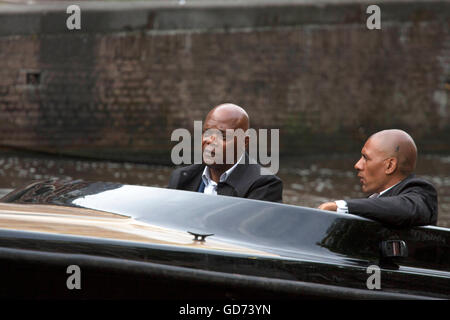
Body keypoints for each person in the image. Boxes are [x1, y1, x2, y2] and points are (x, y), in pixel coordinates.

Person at [318, 129, 438, 227]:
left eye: (366, 158)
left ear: (390, 165)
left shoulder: (421, 194)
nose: (357, 165)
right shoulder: (374, 203)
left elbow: (405, 209)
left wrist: (340, 207)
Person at [168, 103, 283, 202]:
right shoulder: (181, 178)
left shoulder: (264, 185)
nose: (210, 141)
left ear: (244, 141)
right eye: (207, 132)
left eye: (222, 136)